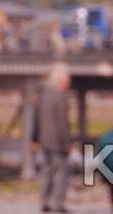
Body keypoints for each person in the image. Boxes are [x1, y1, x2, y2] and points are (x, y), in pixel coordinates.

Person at [33, 63, 72, 213]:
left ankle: (44, 202)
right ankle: (58, 204)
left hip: (44, 141)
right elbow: (63, 122)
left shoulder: (43, 95)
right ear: (62, 80)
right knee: (61, 173)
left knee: (45, 173)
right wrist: (67, 142)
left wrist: (35, 137)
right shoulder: (61, 97)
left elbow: (36, 118)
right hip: (58, 143)